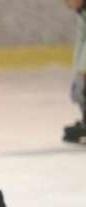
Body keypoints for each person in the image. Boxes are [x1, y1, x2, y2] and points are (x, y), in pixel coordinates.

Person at [63, 0, 86, 143]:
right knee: (82, 91)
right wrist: (79, 72)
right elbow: (81, 42)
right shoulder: (82, 13)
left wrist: (83, 72)